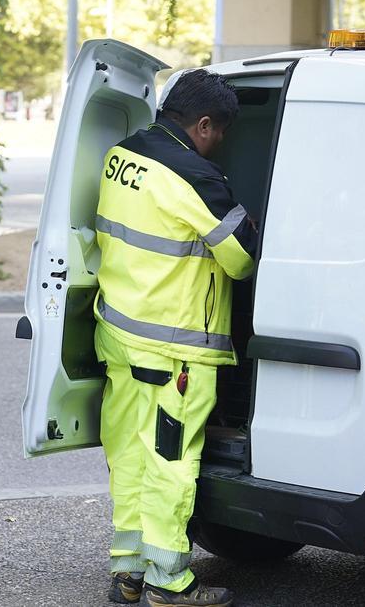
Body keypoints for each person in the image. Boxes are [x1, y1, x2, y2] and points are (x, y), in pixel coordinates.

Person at [93, 70, 256, 607]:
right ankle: (168, 582)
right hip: (174, 350)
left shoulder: (122, 155)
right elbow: (241, 260)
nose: (221, 144)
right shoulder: (195, 176)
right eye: (221, 132)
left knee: (130, 453)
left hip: (120, 333)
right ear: (203, 124)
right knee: (170, 461)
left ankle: (128, 570)